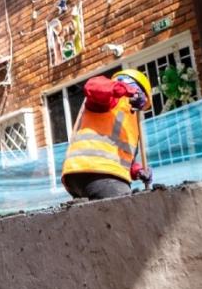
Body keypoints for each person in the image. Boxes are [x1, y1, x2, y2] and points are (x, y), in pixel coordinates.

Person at [62, 70, 154, 199]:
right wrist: (128, 91)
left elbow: (124, 159)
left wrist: (138, 171)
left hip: (84, 174)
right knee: (124, 212)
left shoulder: (131, 125)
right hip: (98, 170)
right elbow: (93, 86)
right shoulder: (111, 99)